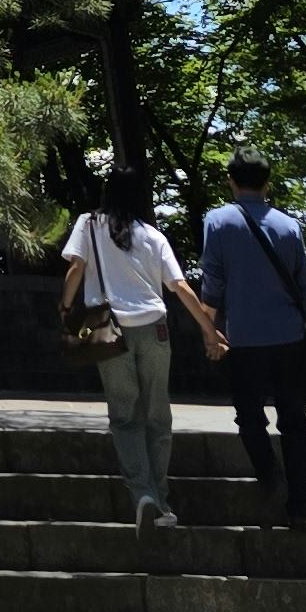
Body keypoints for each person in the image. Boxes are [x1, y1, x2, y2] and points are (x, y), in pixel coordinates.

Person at [59, 164, 223, 526]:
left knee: (125, 417)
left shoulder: (89, 224)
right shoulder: (152, 235)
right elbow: (179, 287)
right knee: (157, 417)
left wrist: (66, 307)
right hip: (155, 330)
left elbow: (75, 270)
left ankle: (142, 493)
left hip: (110, 331)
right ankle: (162, 503)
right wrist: (208, 330)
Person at [201, 147, 306, 528]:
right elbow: (305, 283)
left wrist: (211, 329)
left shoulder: (217, 222)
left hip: (245, 339)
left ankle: (269, 474)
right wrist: (302, 323)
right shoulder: (289, 226)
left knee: (250, 416)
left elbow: (213, 282)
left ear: (231, 181)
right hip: (288, 338)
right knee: (295, 422)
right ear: (268, 184)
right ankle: (299, 507)